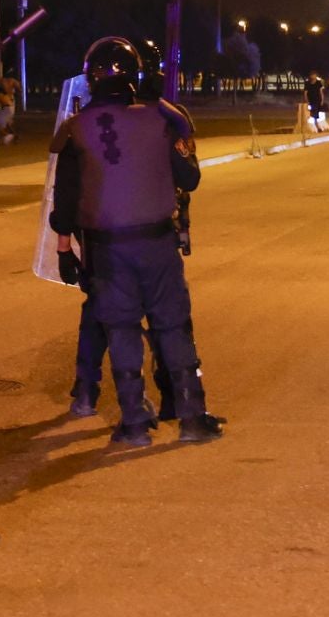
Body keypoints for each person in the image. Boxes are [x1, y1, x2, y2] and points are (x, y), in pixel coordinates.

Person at [50, 37, 222, 447]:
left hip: (106, 250)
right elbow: (190, 177)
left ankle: (134, 423)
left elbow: (66, 199)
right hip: (158, 244)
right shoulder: (165, 119)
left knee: (121, 330)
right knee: (173, 327)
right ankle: (192, 418)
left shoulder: (75, 128)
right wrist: (165, 110)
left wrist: (63, 250)